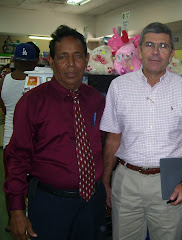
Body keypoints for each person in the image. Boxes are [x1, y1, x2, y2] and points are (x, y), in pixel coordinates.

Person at [100, 22, 182, 240]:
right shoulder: (119, 86)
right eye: (150, 44)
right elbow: (113, 137)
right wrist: (106, 181)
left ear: (171, 53)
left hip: (169, 181)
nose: (155, 51)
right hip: (126, 178)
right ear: (140, 49)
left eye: (163, 46)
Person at [3, 25, 107, 240]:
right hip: (50, 203)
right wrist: (16, 210)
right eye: (62, 57)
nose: (71, 64)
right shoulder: (32, 103)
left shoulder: (97, 100)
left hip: (92, 203)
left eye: (77, 56)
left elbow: (104, 146)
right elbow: (17, 158)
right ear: (50, 61)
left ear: (87, 60)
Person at [0, 42, 39, 233]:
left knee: (12, 183)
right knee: (32, 184)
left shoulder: (5, 80)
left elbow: (5, 107)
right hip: (32, 143)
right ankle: (32, 218)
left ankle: (11, 221)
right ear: (36, 61)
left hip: (9, 141)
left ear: (14, 59)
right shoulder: (38, 82)